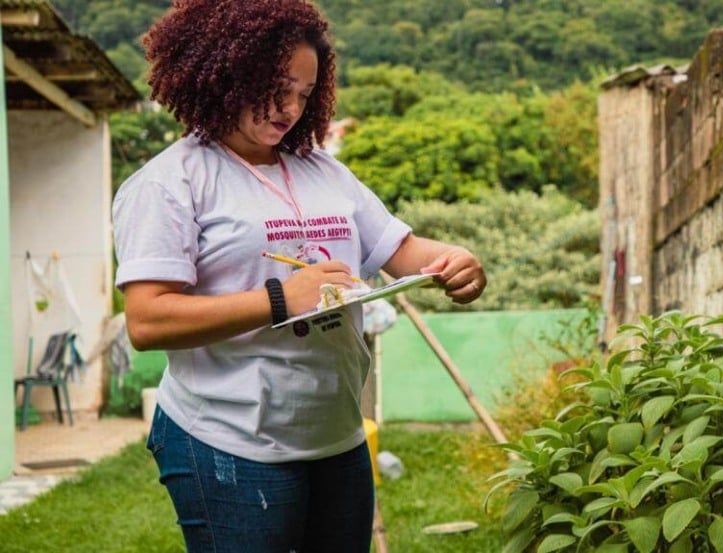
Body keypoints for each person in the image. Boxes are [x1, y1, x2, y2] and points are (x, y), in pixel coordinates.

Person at [111, 1, 486, 551]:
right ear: (224, 72)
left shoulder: (321, 168)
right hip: (228, 440)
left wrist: (454, 259)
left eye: (305, 94)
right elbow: (146, 321)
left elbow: (400, 250)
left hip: (335, 436)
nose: (290, 108)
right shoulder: (170, 183)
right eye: (276, 88)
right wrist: (282, 298)